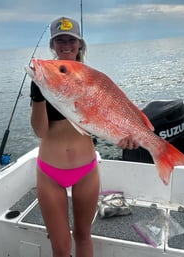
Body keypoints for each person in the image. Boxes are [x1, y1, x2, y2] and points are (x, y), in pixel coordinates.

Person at [30, 16, 138, 257]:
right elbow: (40, 131)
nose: (65, 44)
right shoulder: (45, 76)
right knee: (60, 247)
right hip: (50, 172)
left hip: (86, 170)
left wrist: (124, 135)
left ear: (80, 45)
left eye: (71, 39)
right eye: (60, 40)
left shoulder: (93, 81)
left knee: (83, 236)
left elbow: (108, 118)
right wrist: (38, 95)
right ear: (53, 45)